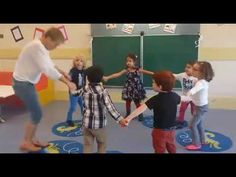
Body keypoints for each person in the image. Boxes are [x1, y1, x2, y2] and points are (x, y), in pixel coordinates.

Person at [12, 27, 76, 152]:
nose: (55, 47)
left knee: (36, 113)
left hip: (26, 83)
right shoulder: (37, 47)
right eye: (55, 44)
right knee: (37, 114)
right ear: (47, 38)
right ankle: (26, 142)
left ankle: (32, 140)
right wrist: (67, 82)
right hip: (22, 84)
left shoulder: (41, 47)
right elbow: (48, 70)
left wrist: (63, 72)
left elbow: (50, 64)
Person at [72, 65, 127, 153]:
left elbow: (75, 93)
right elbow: (110, 107)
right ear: (101, 78)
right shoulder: (102, 91)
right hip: (99, 126)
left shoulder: (85, 89)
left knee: (87, 145)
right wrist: (120, 119)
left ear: (88, 78)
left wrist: (72, 89)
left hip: (86, 124)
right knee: (102, 144)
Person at [124, 71, 180, 153]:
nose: (152, 84)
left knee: (159, 149)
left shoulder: (156, 99)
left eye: (153, 83)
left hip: (159, 130)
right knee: (171, 145)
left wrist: (128, 119)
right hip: (172, 129)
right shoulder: (175, 96)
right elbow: (181, 100)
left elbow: (141, 108)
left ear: (160, 86)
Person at [103, 53, 153, 121]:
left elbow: (148, 72)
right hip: (128, 89)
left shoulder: (138, 70)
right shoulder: (126, 70)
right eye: (127, 61)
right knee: (128, 102)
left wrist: (157, 74)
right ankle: (128, 113)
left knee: (137, 102)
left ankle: (140, 115)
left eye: (130, 61)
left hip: (136, 89)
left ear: (134, 62)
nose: (128, 62)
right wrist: (107, 77)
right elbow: (117, 74)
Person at [185, 61, 214, 150]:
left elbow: (195, 89)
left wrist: (189, 93)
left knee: (192, 125)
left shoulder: (201, 83)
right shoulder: (200, 80)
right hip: (200, 106)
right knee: (199, 124)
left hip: (201, 108)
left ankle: (196, 144)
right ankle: (202, 140)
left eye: (195, 69)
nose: (192, 70)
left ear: (202, 73)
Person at [173, 61, 198, 129]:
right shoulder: (182, 75)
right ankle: (180, 121)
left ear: (194, 69)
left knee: (194, 111)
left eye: (189, 67)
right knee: (182, 109)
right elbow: (174, 75)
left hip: (194, 98)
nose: (186, 68)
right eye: (186, 67)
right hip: (185, 97)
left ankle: (195, 122)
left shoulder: (196, 78)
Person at [65, 55, 86, 127]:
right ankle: (69, 120)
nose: (79, 62)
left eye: (81, 61)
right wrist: (68, 78)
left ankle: (85, 119)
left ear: (83, 63)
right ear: (74, 62)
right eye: (77, 60)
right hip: (74, 93)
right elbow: (69, 78)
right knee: (73, 107)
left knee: (83, 107)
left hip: (81, 92)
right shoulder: (73, 70)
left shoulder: (84, 71)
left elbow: (85, 81)